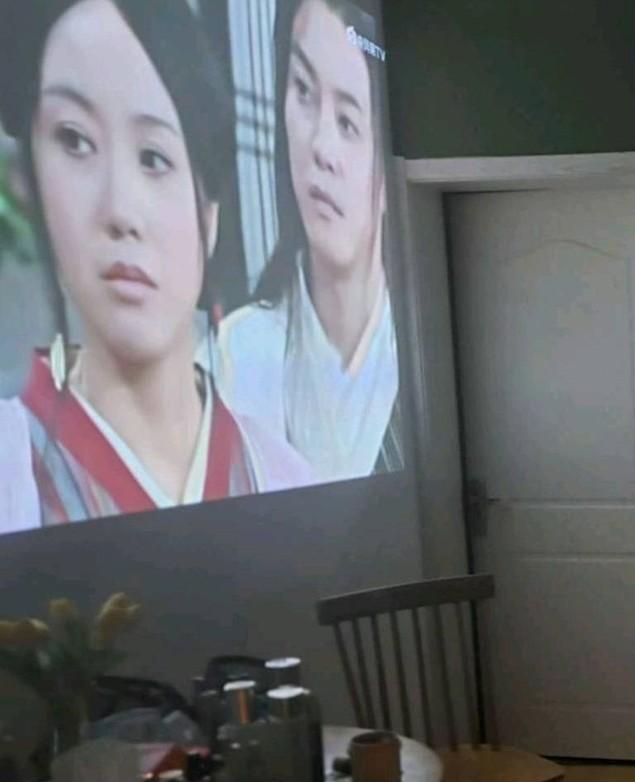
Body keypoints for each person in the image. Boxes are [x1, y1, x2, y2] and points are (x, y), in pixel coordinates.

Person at [0, 0, 314, 535]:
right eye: (75, 141)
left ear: (210, 217)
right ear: (30, 181)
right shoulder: (11, 465)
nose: (121, 211)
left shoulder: (286, 478)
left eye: (153, 157)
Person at [209, 0, 402, 483]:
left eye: (348, 122)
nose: (321, 147)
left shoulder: (423, 345)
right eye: (303, 91)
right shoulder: (237, 354)